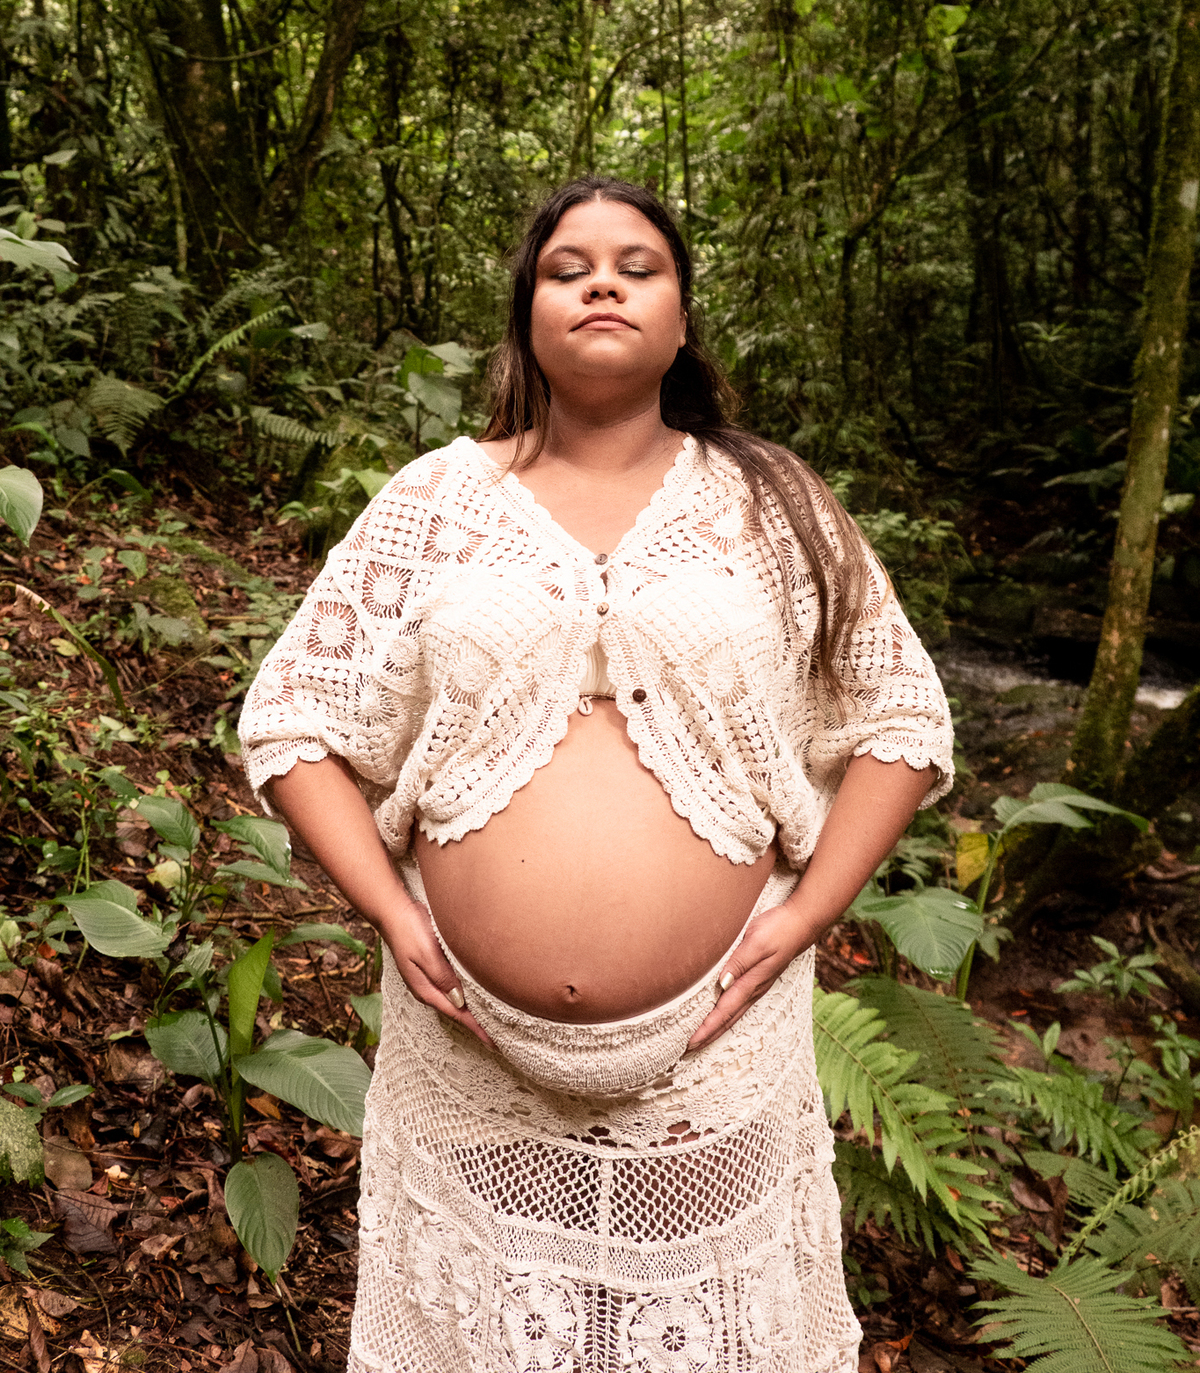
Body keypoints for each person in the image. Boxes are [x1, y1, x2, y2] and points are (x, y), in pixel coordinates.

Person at [238, 176, 954, 1373]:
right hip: (463, 1046)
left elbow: (897, 714)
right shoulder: (436, 501)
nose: (603, 283)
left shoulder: (776, 503)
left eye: (639, 265)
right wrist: (389, 909)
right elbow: (294, 717)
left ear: (682, 321)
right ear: (528, 315)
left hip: (718, 1054)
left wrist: (812, 912)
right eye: (568, 269)